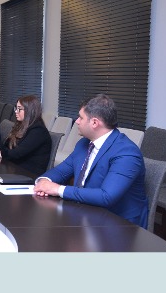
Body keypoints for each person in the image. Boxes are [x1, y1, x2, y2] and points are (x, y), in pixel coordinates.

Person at [34, 94, 148, 228]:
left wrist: (57, 189)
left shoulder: (126, 152)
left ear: (94, 122)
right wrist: (44, 181)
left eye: (81, 117)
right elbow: (61, 171)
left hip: (119, 225)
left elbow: (107, 196)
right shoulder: (83, 143)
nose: (77, 121)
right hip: (86, 214)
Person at [0, 95, 52, 175]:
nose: (16, 111)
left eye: (19, 109)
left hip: (27, 174)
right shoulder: (21, 126)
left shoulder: (38, 131)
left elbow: (16, 154)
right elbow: (5, 145)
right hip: (13, 168)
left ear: (29, 111)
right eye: (16, 108)